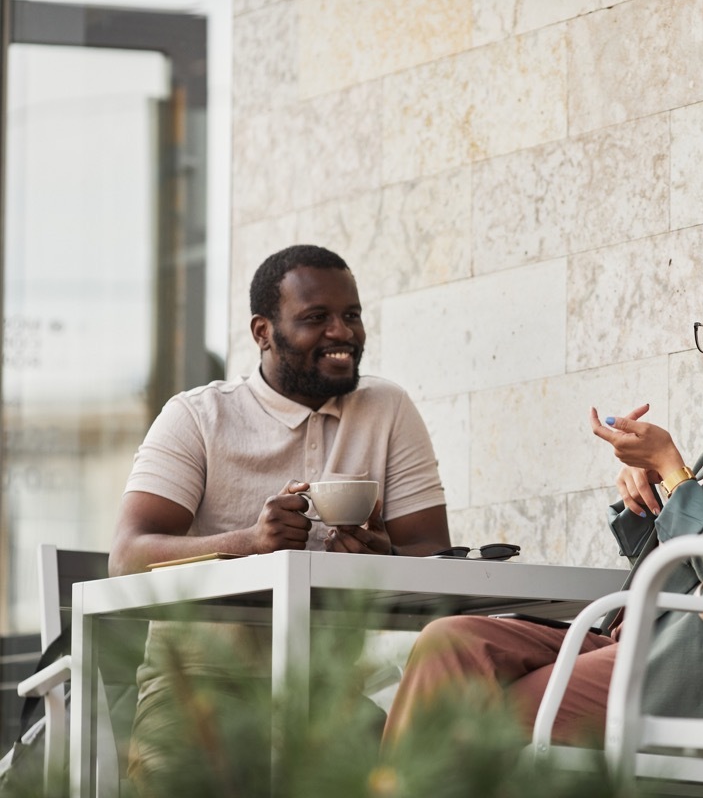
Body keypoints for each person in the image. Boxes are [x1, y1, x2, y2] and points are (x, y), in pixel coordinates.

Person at [381, 261, 703, 745]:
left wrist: (673, 471)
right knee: (451, 642)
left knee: (479, 718)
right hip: (642, 639)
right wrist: (650, 496)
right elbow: (681, 560)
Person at [111, 244, 450, 790]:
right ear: (262, 332)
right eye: (317, 318)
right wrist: (249, 542)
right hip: (200, 681)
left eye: (352, 315)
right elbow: (127, 556)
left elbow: (432, 550)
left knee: (419, 777)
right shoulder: (197, 417)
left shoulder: (387, 409)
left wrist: (382, 556)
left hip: (331, 689)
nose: (343, 332)